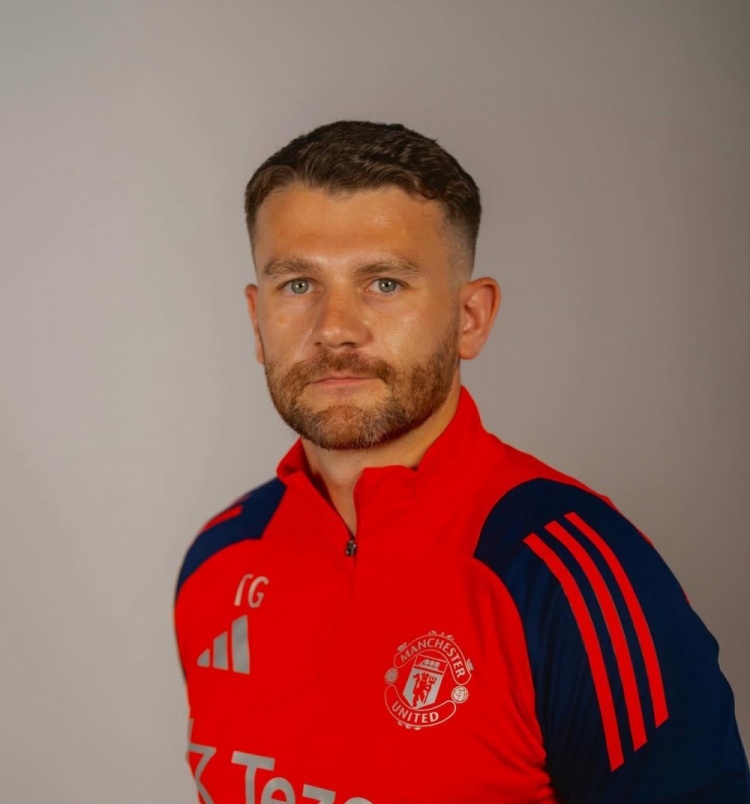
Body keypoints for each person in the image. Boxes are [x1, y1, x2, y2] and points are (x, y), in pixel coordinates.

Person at [174, 121, 749, 803]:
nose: (334, 328)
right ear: (256, 321)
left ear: (470, 318)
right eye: (298, 284)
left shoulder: (571, 577)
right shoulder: (218, 559)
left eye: (384, 283)